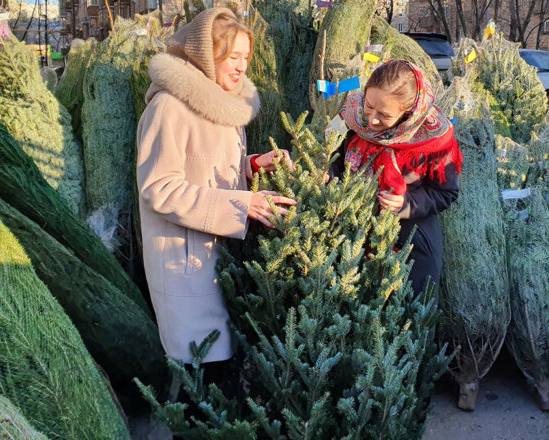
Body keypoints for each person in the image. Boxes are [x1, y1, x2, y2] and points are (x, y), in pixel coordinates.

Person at [136, 7, 296, 367]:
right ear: (206, 54)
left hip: (216, 257)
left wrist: (252, 166)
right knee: (201, 372)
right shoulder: (169, 107)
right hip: (184, 262)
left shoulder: (222, 103)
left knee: (219, 373)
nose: (242, 67)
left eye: (246, 58)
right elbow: (159, 188)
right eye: (233, 56)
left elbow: (206, 167)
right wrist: (243, 205)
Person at [332, 60, 462, 297]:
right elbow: (334, 160)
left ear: (408, 113)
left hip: (409, 244)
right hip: (349, 237)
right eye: (369, 106)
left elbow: (446, 193)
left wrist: (406, 204)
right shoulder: (350, 117)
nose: (370, 120)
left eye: (384, 115)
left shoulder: (432, 139)